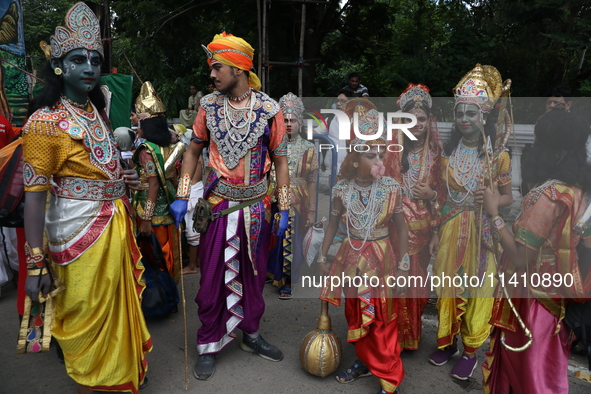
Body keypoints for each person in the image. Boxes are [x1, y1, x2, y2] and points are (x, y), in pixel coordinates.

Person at [21, 3, 151, 393]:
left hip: (113, 219)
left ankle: (120, 374)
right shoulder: (44, 122)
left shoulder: (96, 111)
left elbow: (98, 165)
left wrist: (122, 178)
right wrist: (33, 264)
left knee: (115, 308)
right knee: (85, 311)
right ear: (59, 66)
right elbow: (34, 196)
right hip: (77, 232)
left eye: (95, 60)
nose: (90, 67)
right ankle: (96, 381)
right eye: (78, 60)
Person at [169, 32, 290, 381]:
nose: (211, 75)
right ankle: (208, 343)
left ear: (238, 68)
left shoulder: (270, 109)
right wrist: (180, 195)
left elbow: (280, 160)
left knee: (253, 278)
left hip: (256, 207)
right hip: (218, 206)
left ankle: (251, 335)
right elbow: (192, 151)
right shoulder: (208, 106)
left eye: (217, 67)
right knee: (210, 279)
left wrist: (284, 207)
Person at [481, 109, 591, 393]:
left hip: (531, 300)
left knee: (531, 373)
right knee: (547, 368)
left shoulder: (547, 197)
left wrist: (493, 214)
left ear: (552, 153)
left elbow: (520, 257)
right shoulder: (577, 190)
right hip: (556, 294)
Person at [427, 64, 513, 380]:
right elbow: (440, 197)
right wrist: (435, 232)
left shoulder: (498, 156)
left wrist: (490, 203)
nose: (464, 119)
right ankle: (447, 342)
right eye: (460, 113)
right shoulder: (446, 153)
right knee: (447, 287)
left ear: (485, 117)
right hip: (450, 228)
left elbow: (508, 198)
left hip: (483, 232)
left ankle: (472, 351)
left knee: (478, 289)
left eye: (471, 114)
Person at [319, 109, 409, 394]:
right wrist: (323, 255)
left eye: (381, 155)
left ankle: (389, 376)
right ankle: (364, 361)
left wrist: (404, 262)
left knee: (381, 315)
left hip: (380, 257)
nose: (379, 161)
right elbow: (333, 223)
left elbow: (402, 227)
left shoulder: (392, 188)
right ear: (355, 158)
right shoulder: (342, 189)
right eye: (371, 155)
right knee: (355, 311)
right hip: (350, 255)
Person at [390, 83, 445, 350]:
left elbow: (445, 196)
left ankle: (408, 335)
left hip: (422, 231)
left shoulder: (437, 156)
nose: (416, 124)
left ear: (429, 121)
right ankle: (389, 336)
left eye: (422, 119)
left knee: (415, 286)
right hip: (392, 230)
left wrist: (432, 196)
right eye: (410, 119)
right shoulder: (392, 152)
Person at [267, 92, 318, 299]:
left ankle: (288, 280)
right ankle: (273, 273)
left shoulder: (309, 148)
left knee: (290, 241)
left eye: (293, 120)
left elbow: (313, 181)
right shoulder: (273, 146)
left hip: (298, 201)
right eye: (285, 120)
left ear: (300, 123)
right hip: (274, 199)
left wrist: (313, 210)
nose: (289, 123)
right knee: (273, 239)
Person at [133, 81, 182, 280]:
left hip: (150, 213)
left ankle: (159, 297)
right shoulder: (170, 147)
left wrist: (146, 219)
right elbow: (174, 180)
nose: (137, 128)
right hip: (169, 209)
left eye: (139, 124)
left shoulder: (146, 150)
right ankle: (169, 295)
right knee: (166, 254)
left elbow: (153, 183)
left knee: (154, 255)